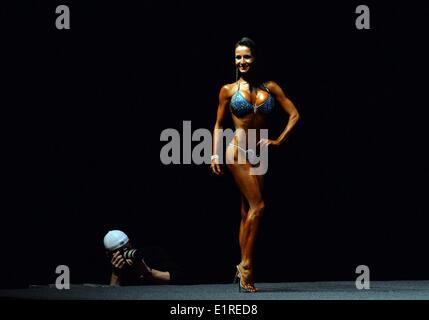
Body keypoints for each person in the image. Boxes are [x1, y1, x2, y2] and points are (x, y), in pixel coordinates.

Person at [211, 37, 300, 292]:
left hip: (260, 154)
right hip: (236, 150)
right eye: (238, 57)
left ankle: (241, 268)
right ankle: (246, 266)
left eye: (246, 56)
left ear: (255, 58)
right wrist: (215, 154)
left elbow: (294, 114)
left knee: (246, 212)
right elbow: (218, 124)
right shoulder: (228, 90)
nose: (242, 61)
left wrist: (279, 141)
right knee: (258, 207)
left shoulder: (270, 87)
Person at [103, 230, 183, 286]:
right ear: (109, 254)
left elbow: (176, 278)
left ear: (130, 244)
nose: (125, 252)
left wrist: (147, 271)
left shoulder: (152, 253)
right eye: (120, 251)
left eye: (127, 248)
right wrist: (116, 274)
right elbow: (111, 295)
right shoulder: (110, 267)